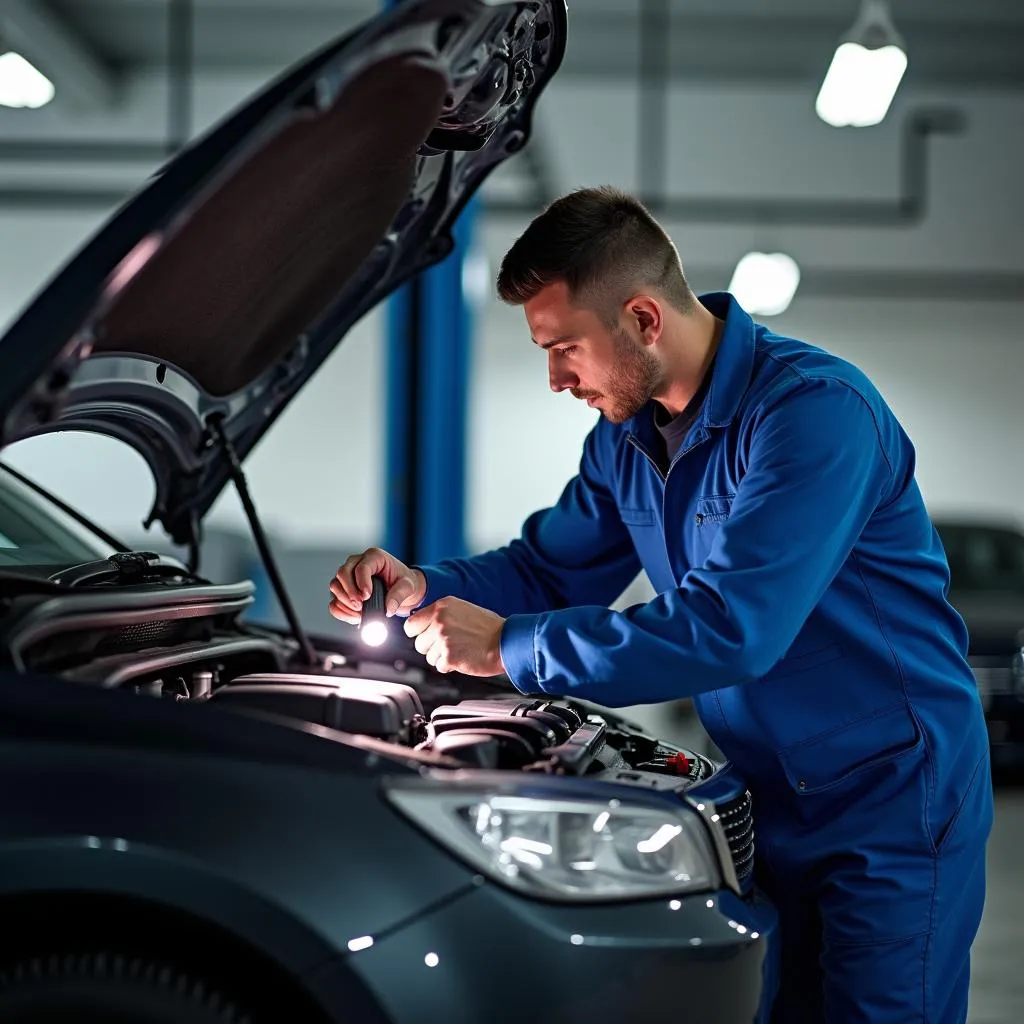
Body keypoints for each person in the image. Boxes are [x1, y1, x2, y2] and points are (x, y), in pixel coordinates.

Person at [330, 186, 992, 1022]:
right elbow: (546, 570)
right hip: (766, 792)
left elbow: (732, 629)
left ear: (644, 319)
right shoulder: (625, 439)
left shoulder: (816, 416)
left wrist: (510, 648)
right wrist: (429, 587)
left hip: (891, 798)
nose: (555, 378)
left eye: (565, 347)